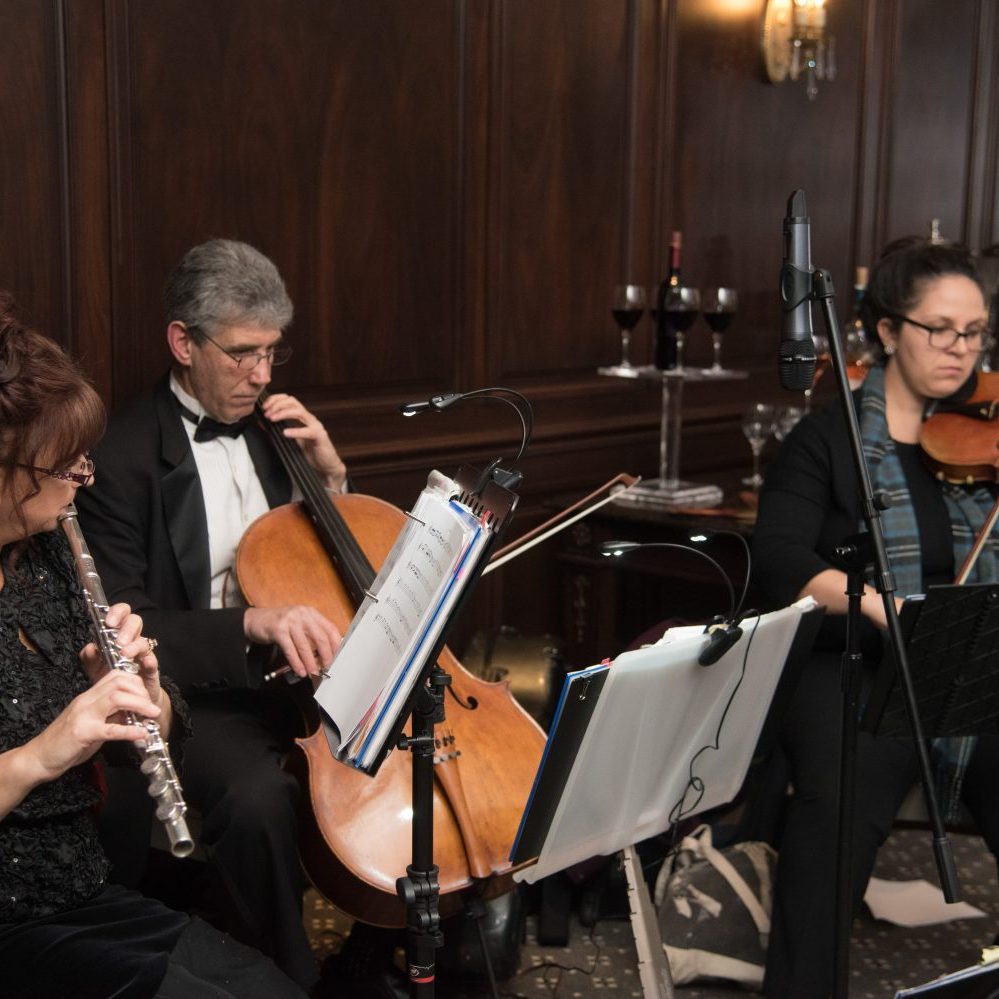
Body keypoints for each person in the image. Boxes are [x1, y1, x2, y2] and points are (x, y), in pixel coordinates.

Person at [0, 293, 306, 999]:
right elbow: (52, 746)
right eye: (65, 464)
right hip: (12, 920)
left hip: (81, 888)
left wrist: (149, 694)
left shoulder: (46, 555)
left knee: (270, 989)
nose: (86, 476)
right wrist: (45, 748)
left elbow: (140, 732)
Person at [74, 239, 349, 993]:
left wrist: (330, 479)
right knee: (261, 798)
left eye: (271, 353)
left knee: (411, 751)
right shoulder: (119, 453)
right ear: (181, 341)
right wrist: (250, 627)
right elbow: (122, 620)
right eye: (241, 354)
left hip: (302, 675)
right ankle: (291, 979)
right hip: (198, 696)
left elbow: (323, 571)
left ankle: (386, 953)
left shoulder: (273, 429)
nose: (261, 375)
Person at [752, 238, 999, 998]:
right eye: (940, 329)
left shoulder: (980, 431)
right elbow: (781, 560)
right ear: (887, 331)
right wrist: (877, 605)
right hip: (854, 659)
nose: (961, 349)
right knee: (837, 797)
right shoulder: (823, 444)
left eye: (975, 331)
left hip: (968, 651)